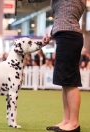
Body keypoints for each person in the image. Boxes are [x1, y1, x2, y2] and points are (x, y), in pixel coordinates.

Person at [40, 0, 86, 132]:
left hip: (69, 37)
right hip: (65, 36)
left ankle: (74, 123)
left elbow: (66, 19)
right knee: (65, 82)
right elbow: (63, 18)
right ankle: (67, 120)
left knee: (70, 82)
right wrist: (51, 34)